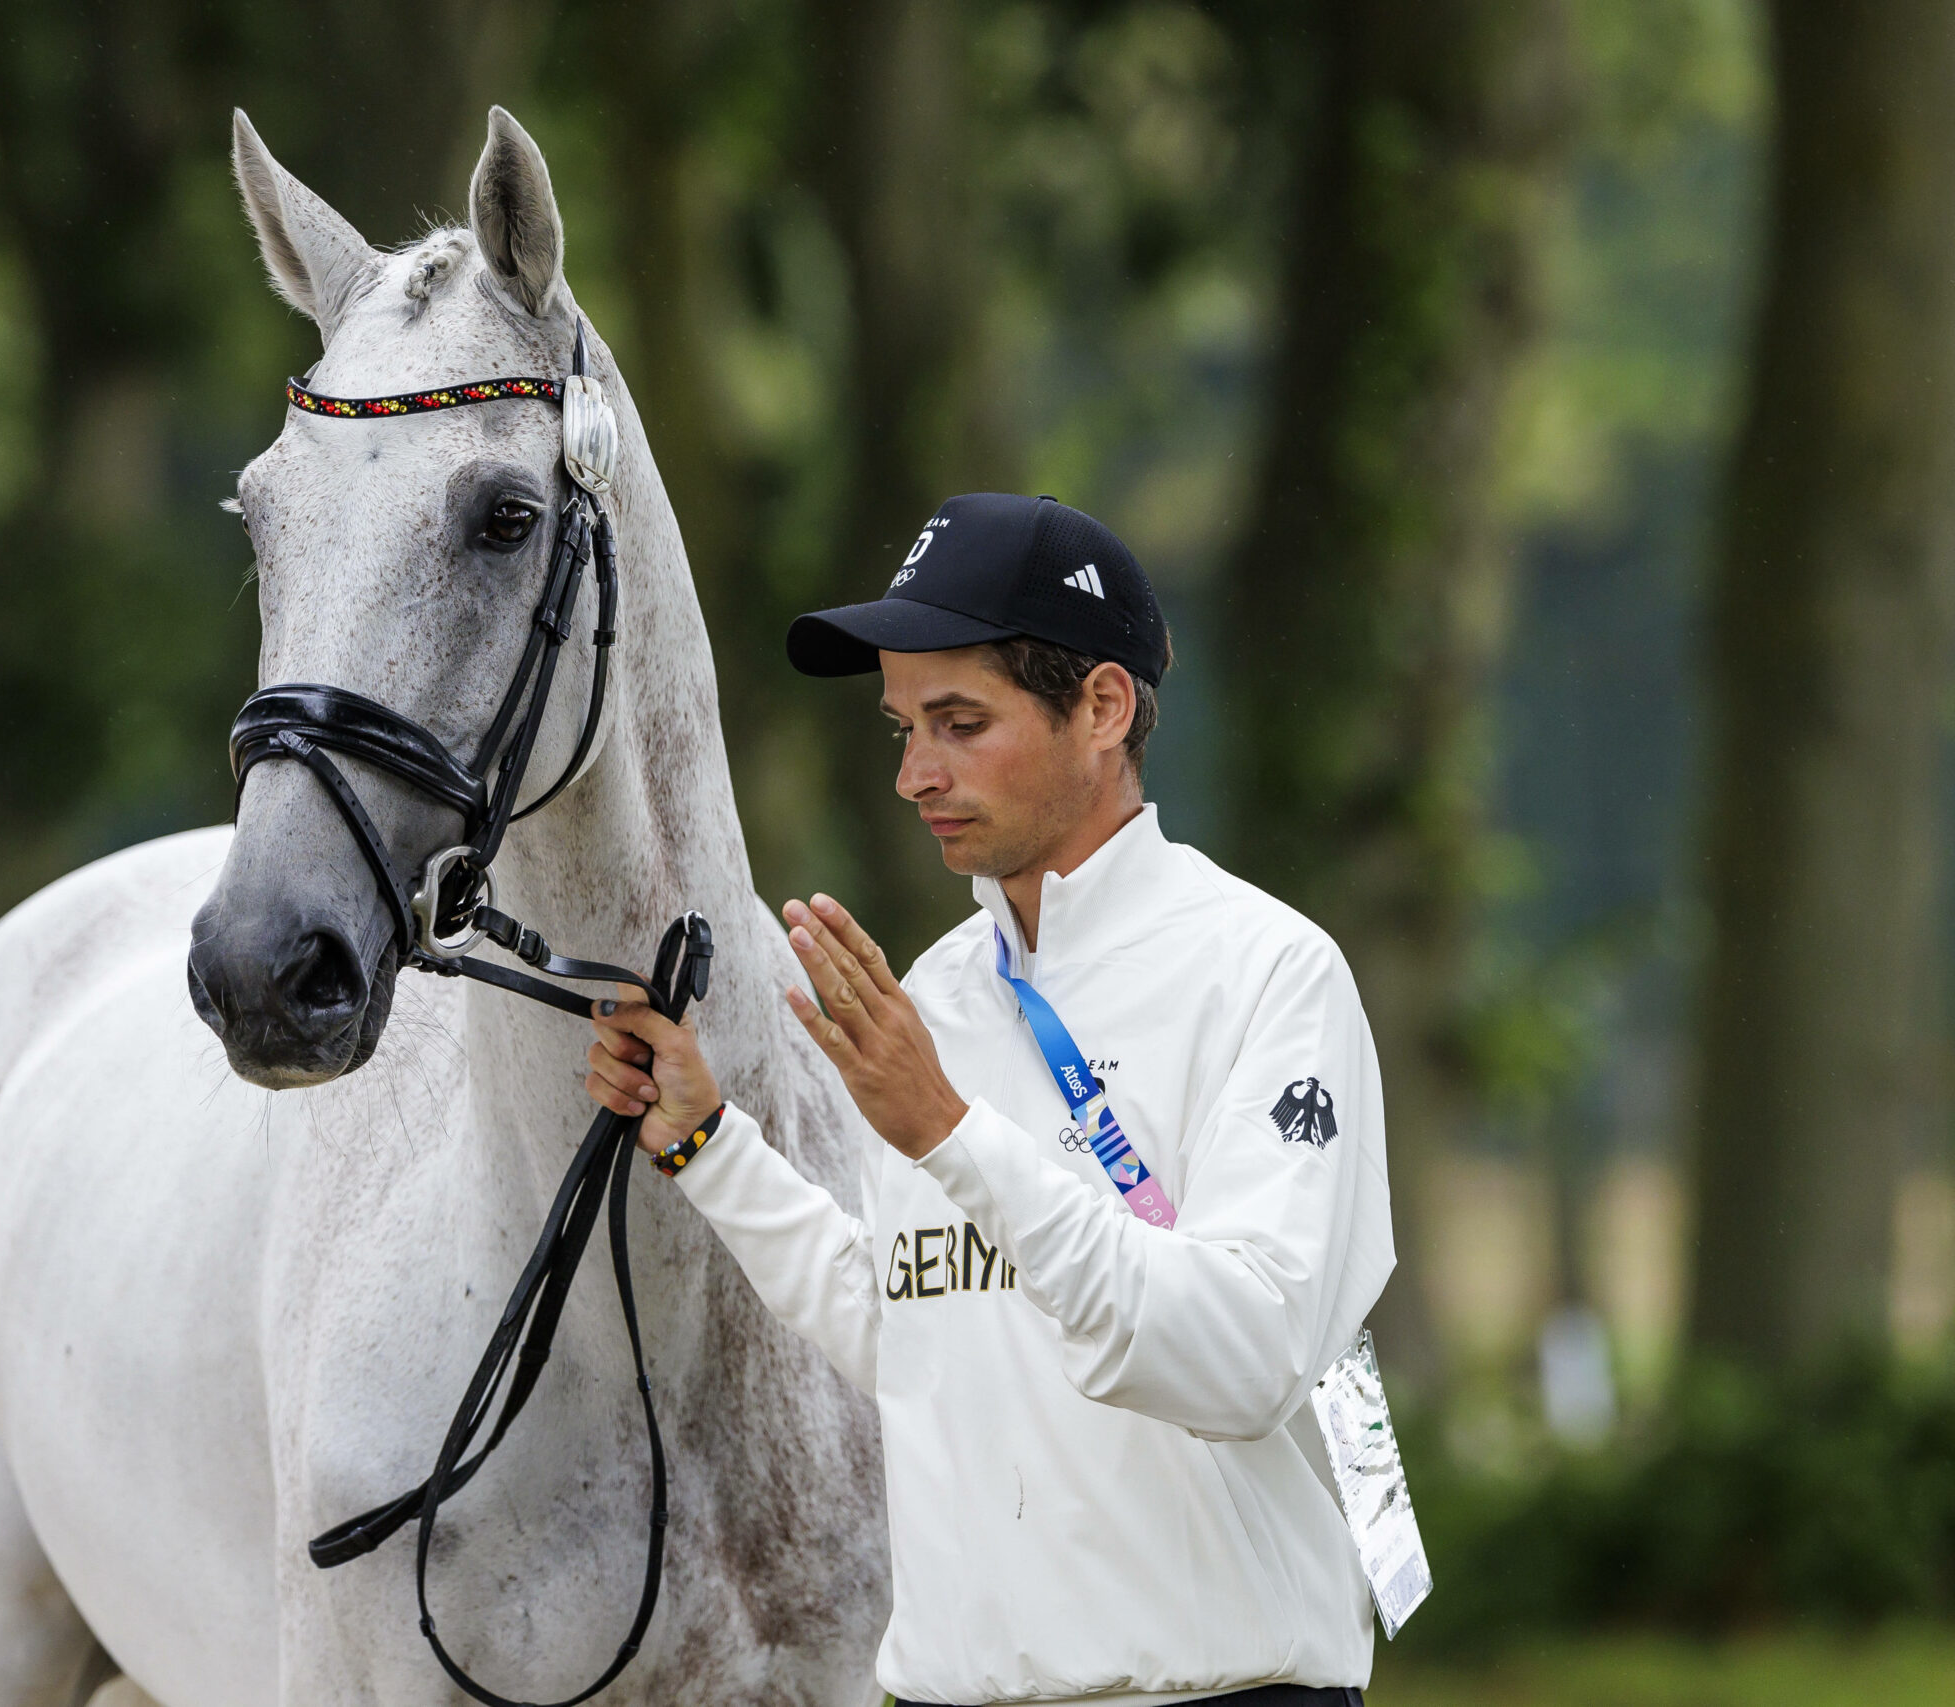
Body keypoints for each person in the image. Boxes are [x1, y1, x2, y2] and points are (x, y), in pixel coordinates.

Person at [586, 493, 1396, 1707]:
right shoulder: (937, 994)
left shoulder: (1267, 972)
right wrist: (707, 1143)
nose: (916, 773)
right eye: (902, 726)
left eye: (961, 722)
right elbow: (916, 1336)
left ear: (1103, 710)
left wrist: (954, 1138)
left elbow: (1245, 1356)